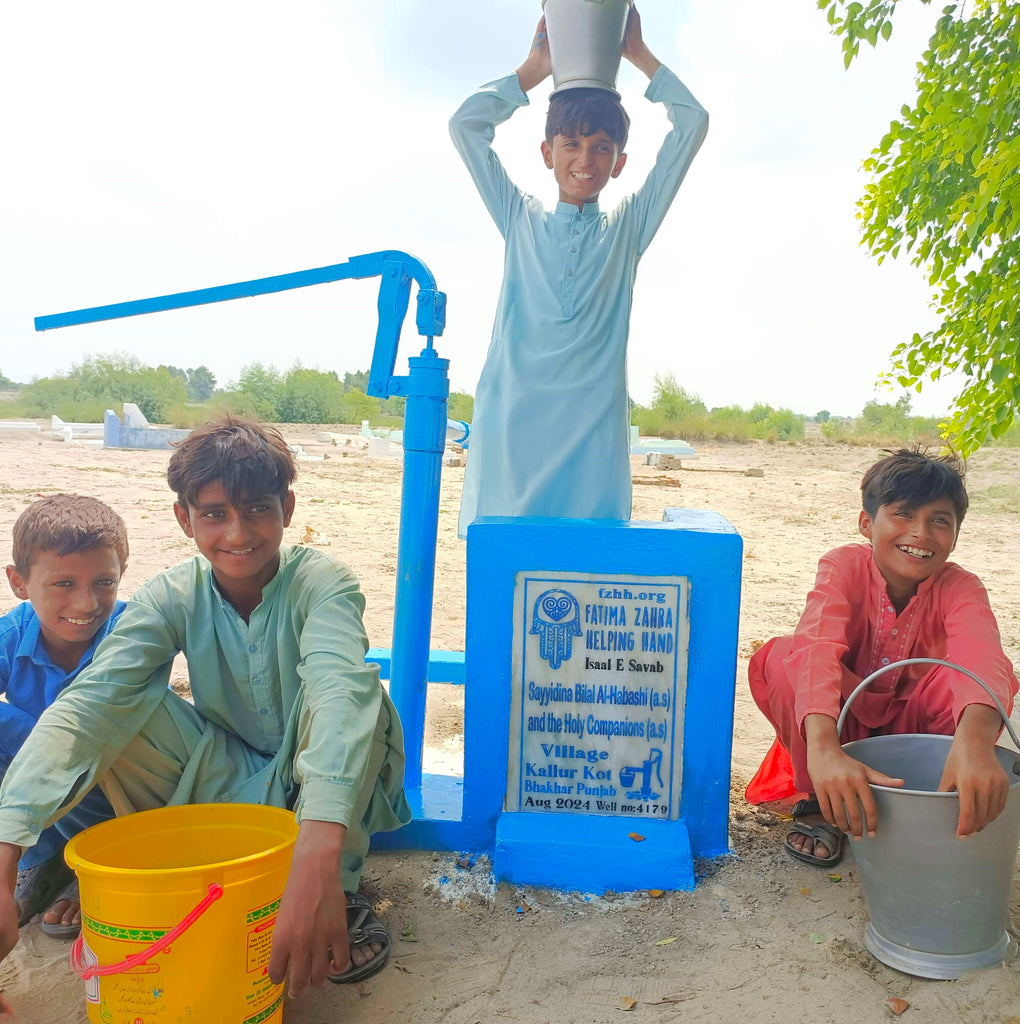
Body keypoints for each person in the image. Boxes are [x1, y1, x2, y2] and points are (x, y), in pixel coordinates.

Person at [0, 418, 410, 998]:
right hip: (225, 777)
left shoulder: (323, 583)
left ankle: (335, 887)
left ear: (287, 509)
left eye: (258, 509)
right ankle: (191, 870)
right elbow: (91, 703)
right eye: (215, 514)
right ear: (184, 518)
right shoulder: (173, 594)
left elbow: (339, 693)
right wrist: (5, 850)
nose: (238, 533)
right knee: (113, 702)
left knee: (360, 703)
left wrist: (317, 860)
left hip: (316, 784)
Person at [450, 7, 708, 538]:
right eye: (571, 144)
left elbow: (694, 122)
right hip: (512, 427)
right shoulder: (518, 215)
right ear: (547, 153)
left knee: (586, 575)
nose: (584, 160)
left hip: (592, 437)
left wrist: (638, 56)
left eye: (601, 148)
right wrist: (535, 69)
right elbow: (465, 126)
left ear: (619, 162)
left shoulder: (629, 228)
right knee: (506, 567)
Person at [749, 448, 1019, 866]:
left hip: (915, 727)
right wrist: (823, 748)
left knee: (985, 676)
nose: (922, 533)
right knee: (786, 656)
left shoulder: (961, 587)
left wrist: (977, 743)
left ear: (955, 536)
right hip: (841, 721)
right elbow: (816, 646)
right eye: (904, 514)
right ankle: (823, 800)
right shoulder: (843, 565)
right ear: (866, 522)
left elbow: (981, 656)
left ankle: (927, 795)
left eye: (940, 521)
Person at [1, 494, 124, 940]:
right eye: (64, 584)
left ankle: (94, 863)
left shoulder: (130, 633)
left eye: (104, 582)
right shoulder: (12, 633)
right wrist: (30, 735)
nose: (88, 602)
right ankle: (39, 860)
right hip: (44, 783)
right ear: (19, 583)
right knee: (32, 744)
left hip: (110, 787)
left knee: (76, 747)